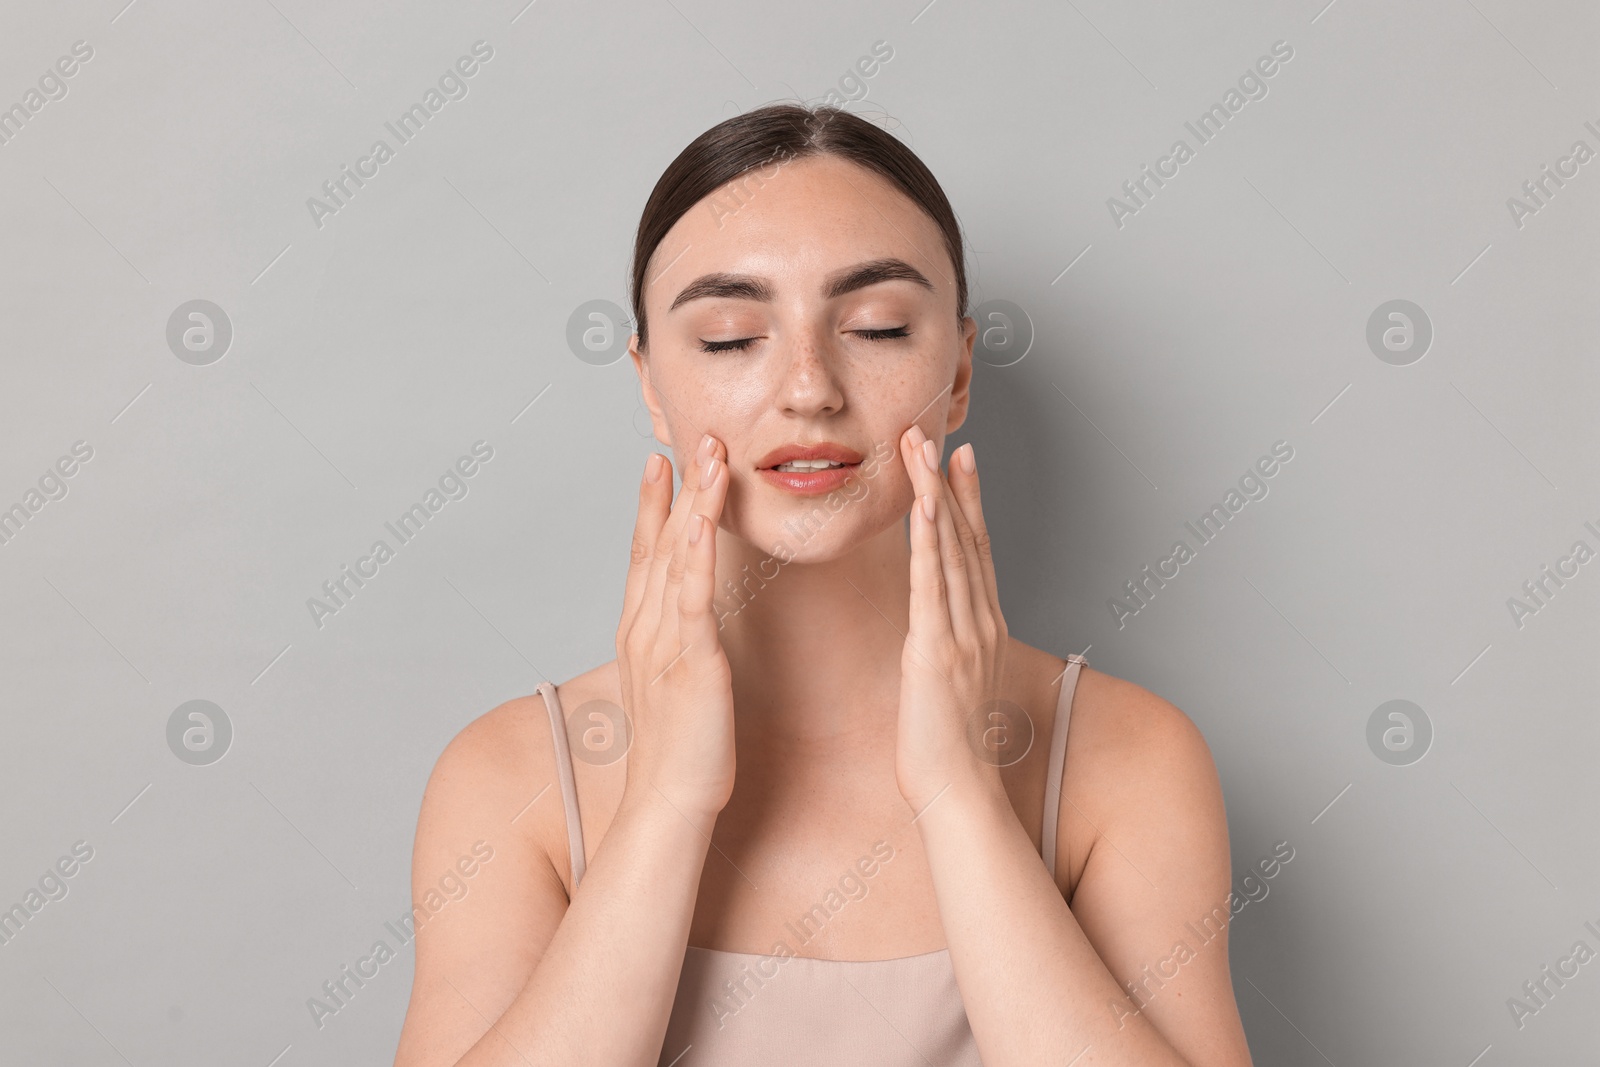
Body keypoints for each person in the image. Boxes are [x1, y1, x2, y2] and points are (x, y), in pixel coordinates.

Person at [393, 103, 1254, 1066]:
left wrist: (960, 792)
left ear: (960, 369)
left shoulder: (1127, 763)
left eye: (879, 328)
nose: (810, 388)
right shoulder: (510, 780)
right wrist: (665, 804)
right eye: (729, 338)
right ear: (648, 382)